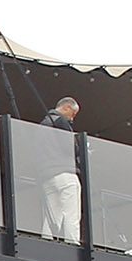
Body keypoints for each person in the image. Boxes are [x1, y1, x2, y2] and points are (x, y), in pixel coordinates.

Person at [39, 95, 84, 241]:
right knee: (71, 213)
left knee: (52, 215)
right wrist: (81, 149)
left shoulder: (43, 124)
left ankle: (46, 242)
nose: (72, 118)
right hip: (65, 173)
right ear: (67, 107)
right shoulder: (60, 121)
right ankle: (72, 244)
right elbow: (69, 147)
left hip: (48, 175)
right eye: (73, 113)